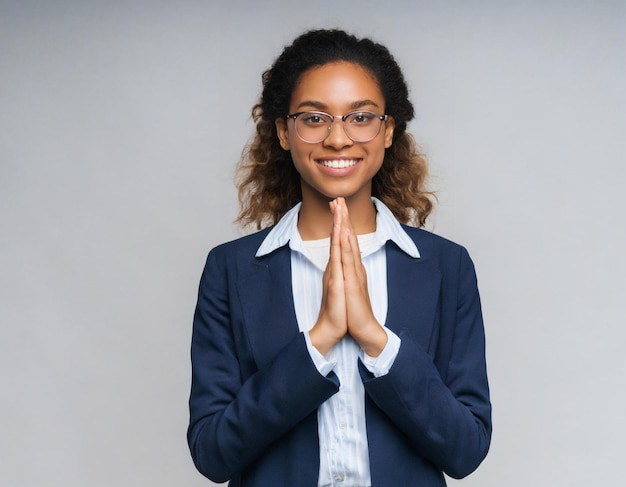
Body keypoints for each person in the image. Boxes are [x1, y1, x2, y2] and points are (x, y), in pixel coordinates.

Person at [187, 29, 491, 487]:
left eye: (361, 117)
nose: (337, 139)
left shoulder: (445, 267)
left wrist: (375, 338)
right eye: (314, 118)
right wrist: (319, 340)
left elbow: (465, 450)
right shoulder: (231, 270)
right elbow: (212, 454)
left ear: (388, 131)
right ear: (284, 133)